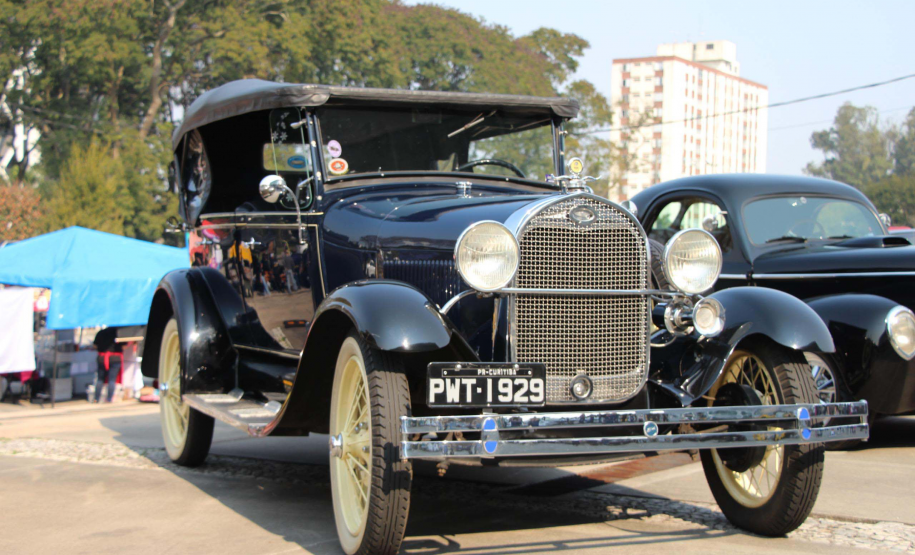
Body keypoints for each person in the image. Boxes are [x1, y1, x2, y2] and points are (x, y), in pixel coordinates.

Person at [93, 327, 122, 403]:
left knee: (100, 379)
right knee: (112, 380)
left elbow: (95, 345)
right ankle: (109, 399)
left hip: (102, 358)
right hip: (115, 358)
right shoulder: (118, 333)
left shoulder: (100, 333)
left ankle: (96, 398)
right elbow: (124, 345)